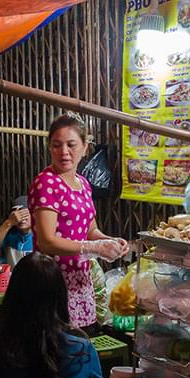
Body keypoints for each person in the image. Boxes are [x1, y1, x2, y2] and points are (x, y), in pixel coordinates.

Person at [30, 115, 128, 330]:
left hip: (80, 278)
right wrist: (93, 247)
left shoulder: (83, 184)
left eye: (71, 145)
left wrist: (108, 241)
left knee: (78, 343)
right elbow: (47, 242)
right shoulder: (46, 183)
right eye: (56, 145)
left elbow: (90, 229)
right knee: (54, 347)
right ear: (49, 148)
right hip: (52, 279)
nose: (64, 152)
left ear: (85, 147)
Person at [0, 196, 33, 264]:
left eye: (24, 214)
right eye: (17, 215)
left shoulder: (40, 236)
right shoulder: (9, 235)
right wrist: (9, 223)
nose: (21, 219)